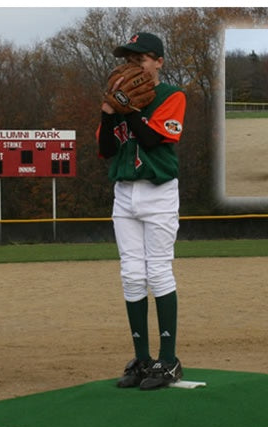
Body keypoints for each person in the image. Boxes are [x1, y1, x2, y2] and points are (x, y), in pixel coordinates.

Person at [96, 32, 186, 390]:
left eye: (142, 58)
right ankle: (142, 360)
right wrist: (107, 113)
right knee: (131, 275)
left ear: (159, 61)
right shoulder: (118, 101)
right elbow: (104, 149)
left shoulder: (171, 96)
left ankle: (168, 362)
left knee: (159, 272)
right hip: (124, 192)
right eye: (130, 59)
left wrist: (128, 108)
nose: (135, 65)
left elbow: (151, 139)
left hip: (158, 192)